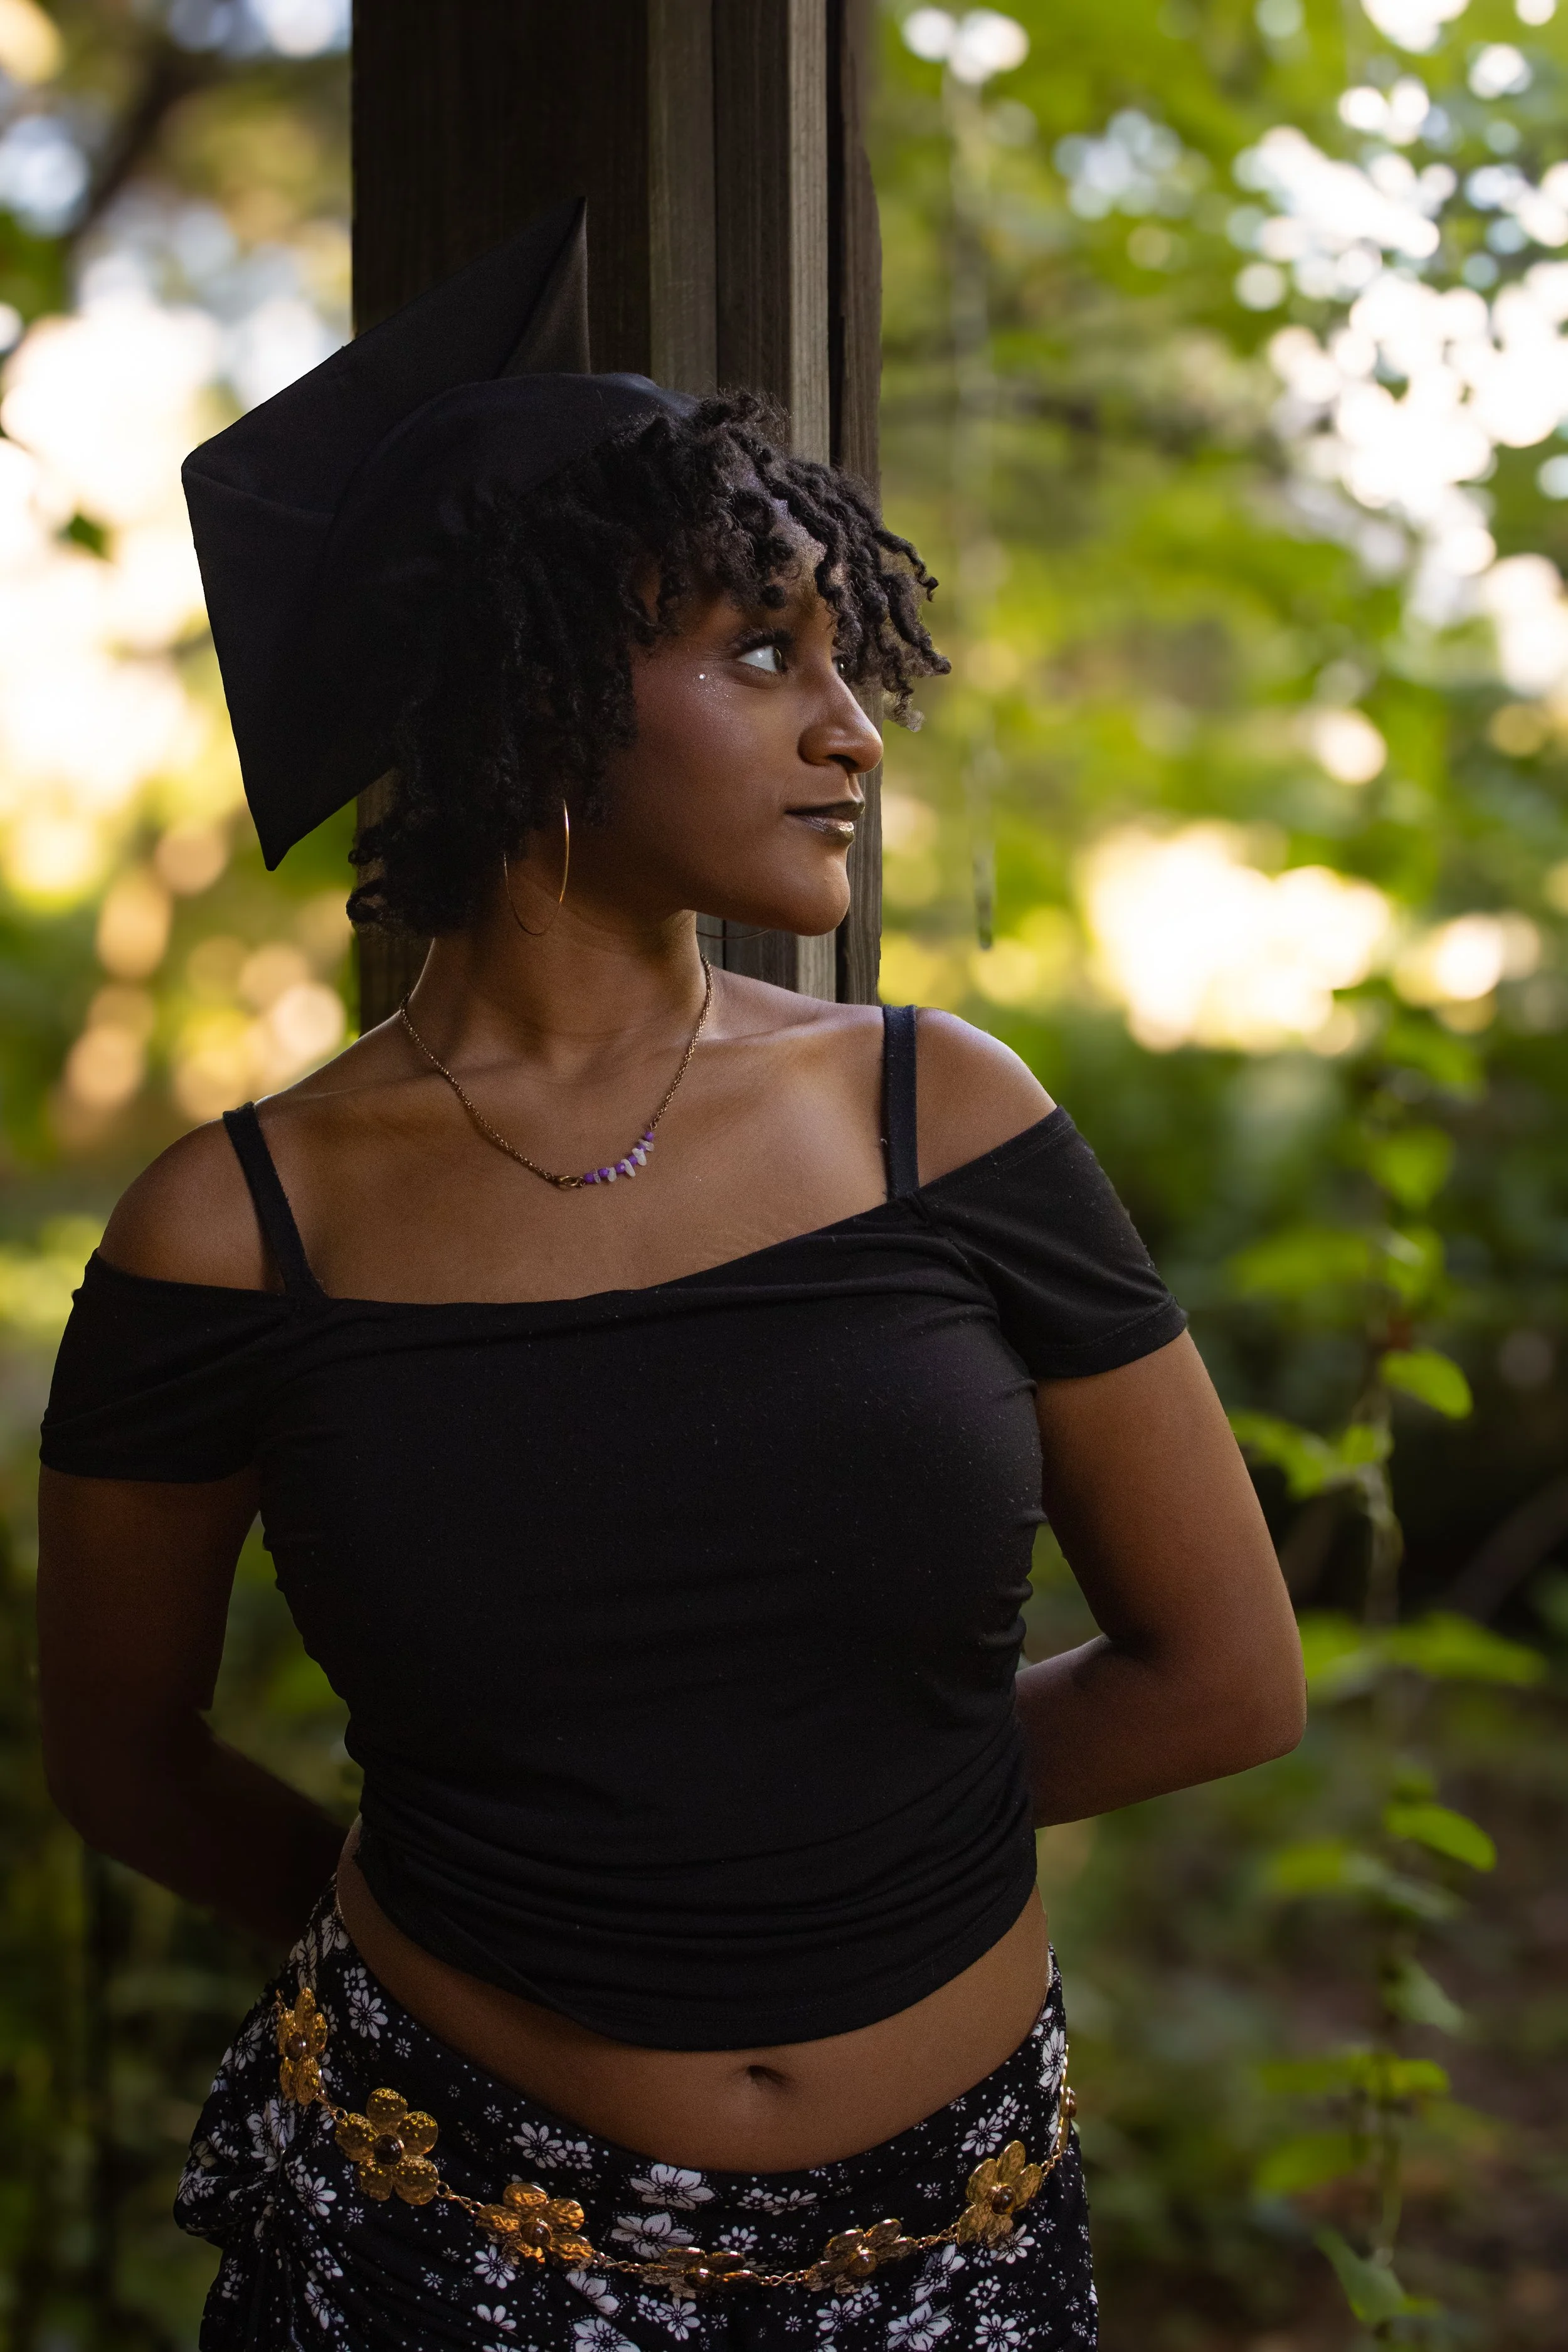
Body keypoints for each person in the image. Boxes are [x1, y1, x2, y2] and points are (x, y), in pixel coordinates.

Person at [35, 206, 1305, 2351]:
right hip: (432, 2240)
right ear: (522, 690)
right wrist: (484, 1960)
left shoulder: (948, 1122)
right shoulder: (231, 1225)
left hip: (955, 2243)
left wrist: (801, 1839)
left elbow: (1223, 1675)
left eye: (841, 655)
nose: (852, 730)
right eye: (754, 654)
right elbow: (123, 1755)